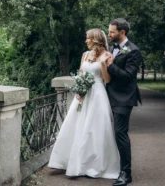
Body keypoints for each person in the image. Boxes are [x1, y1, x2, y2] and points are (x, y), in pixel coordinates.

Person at [48, 28, 120, 179]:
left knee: (95, 129)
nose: (86, 41)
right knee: (76, 126)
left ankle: (94, 166)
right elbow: (81, 74)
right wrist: (80, 88)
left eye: (88, 38)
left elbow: (107, 80)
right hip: (84, 94)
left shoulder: (107, 56)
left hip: (98, 94)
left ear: (95, 39)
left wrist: (103, 65)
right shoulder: (85, 55)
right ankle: (72, 163)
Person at [105, 18, 142, 186]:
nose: (109, 34)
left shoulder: (133, 51)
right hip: (108, 96)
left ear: (122, 32)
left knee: (120, 134)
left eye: (112, 32)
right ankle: (110, 166)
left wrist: (111, 65)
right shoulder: (112, 47)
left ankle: (126, 174)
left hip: (123, 98)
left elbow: (128, 76)